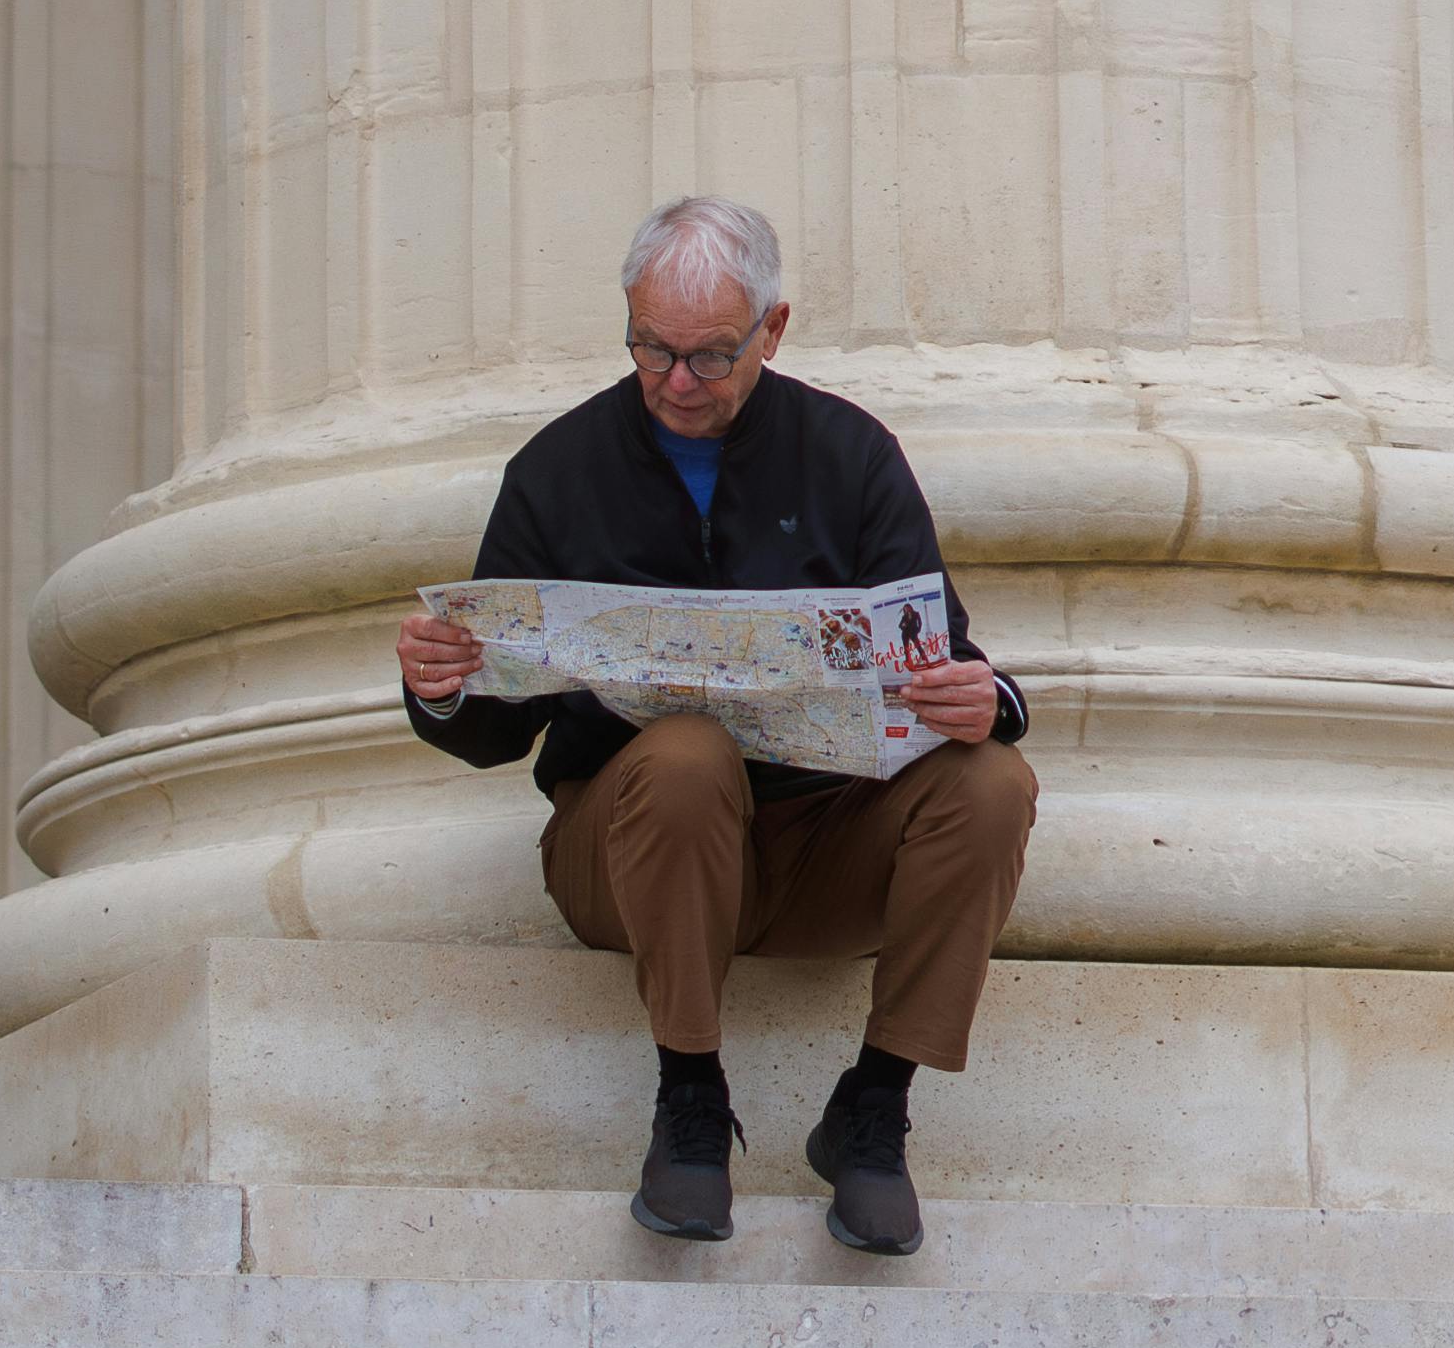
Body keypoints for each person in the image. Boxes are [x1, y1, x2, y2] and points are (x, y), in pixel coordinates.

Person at [396, 193, 1038, 1252]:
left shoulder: (848, 451)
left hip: (823, 842)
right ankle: (690, 1097)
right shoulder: (559, 470)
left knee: (994, 782)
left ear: (773, 330)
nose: (677, 381)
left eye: (709, 355)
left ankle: (874, 1111)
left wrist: (987, 697)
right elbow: (493, 727)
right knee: (688, 752)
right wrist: (441, 684)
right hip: (633, 849)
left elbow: (940, 656)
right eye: (653, 348)